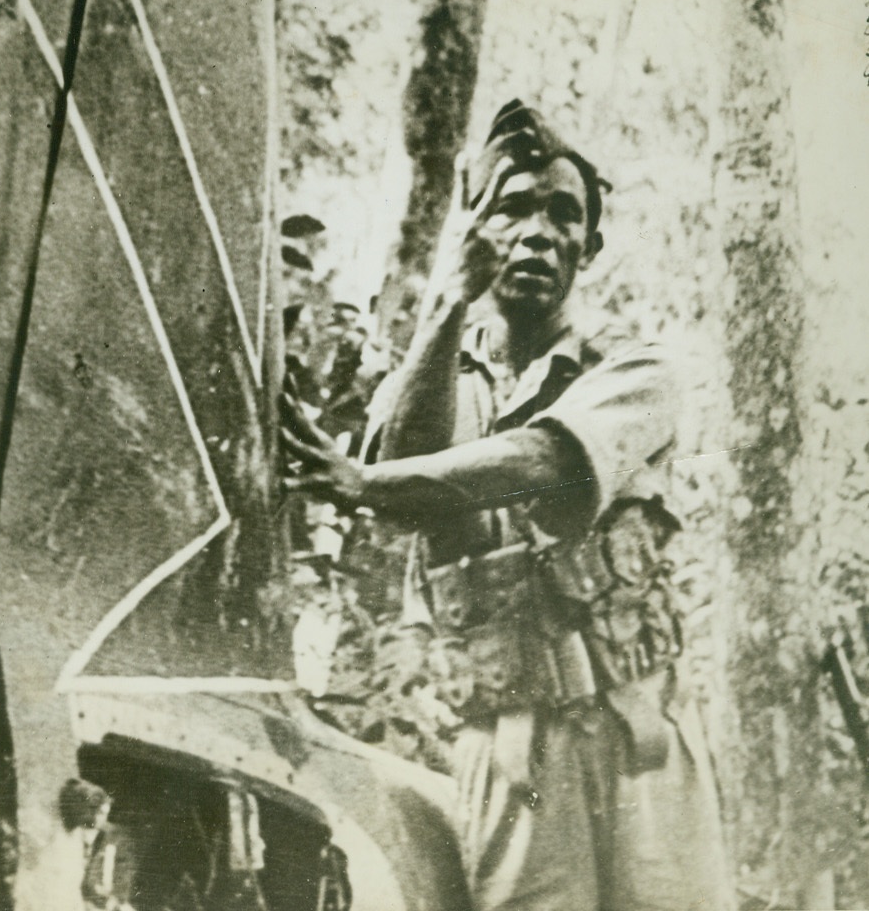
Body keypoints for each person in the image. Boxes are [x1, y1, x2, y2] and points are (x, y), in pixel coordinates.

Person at [281, 100, 732, 911]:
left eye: (564, 214)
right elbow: (401, 466)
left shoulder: (637, 372)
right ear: (477, 227)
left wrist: (360, 482)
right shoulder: (439, 381)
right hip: (510, 750)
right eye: (513, 207)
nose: (537, 232)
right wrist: (451, 295)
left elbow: (545, 460)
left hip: (642, 743)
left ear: (588, 248)